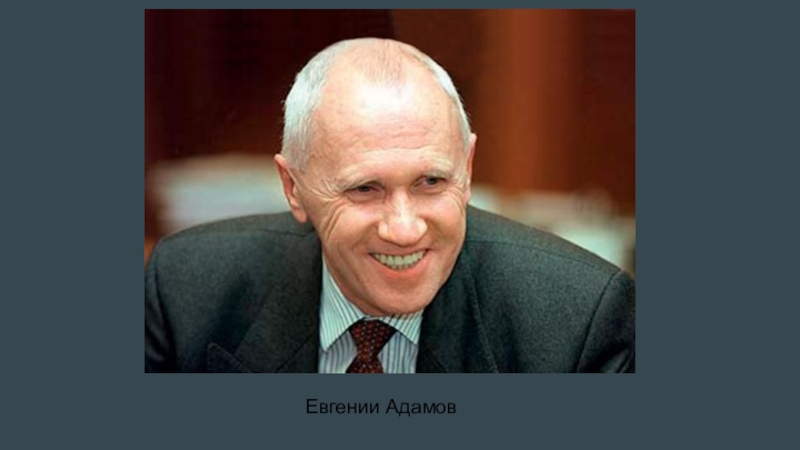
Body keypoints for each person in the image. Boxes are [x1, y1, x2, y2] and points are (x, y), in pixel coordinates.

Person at [145, 38, 635, 373]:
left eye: (431, 182)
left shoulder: (580, 322)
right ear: (293, 187)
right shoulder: (186, 291)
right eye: (365, 189)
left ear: (466, 169)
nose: (403, 230)